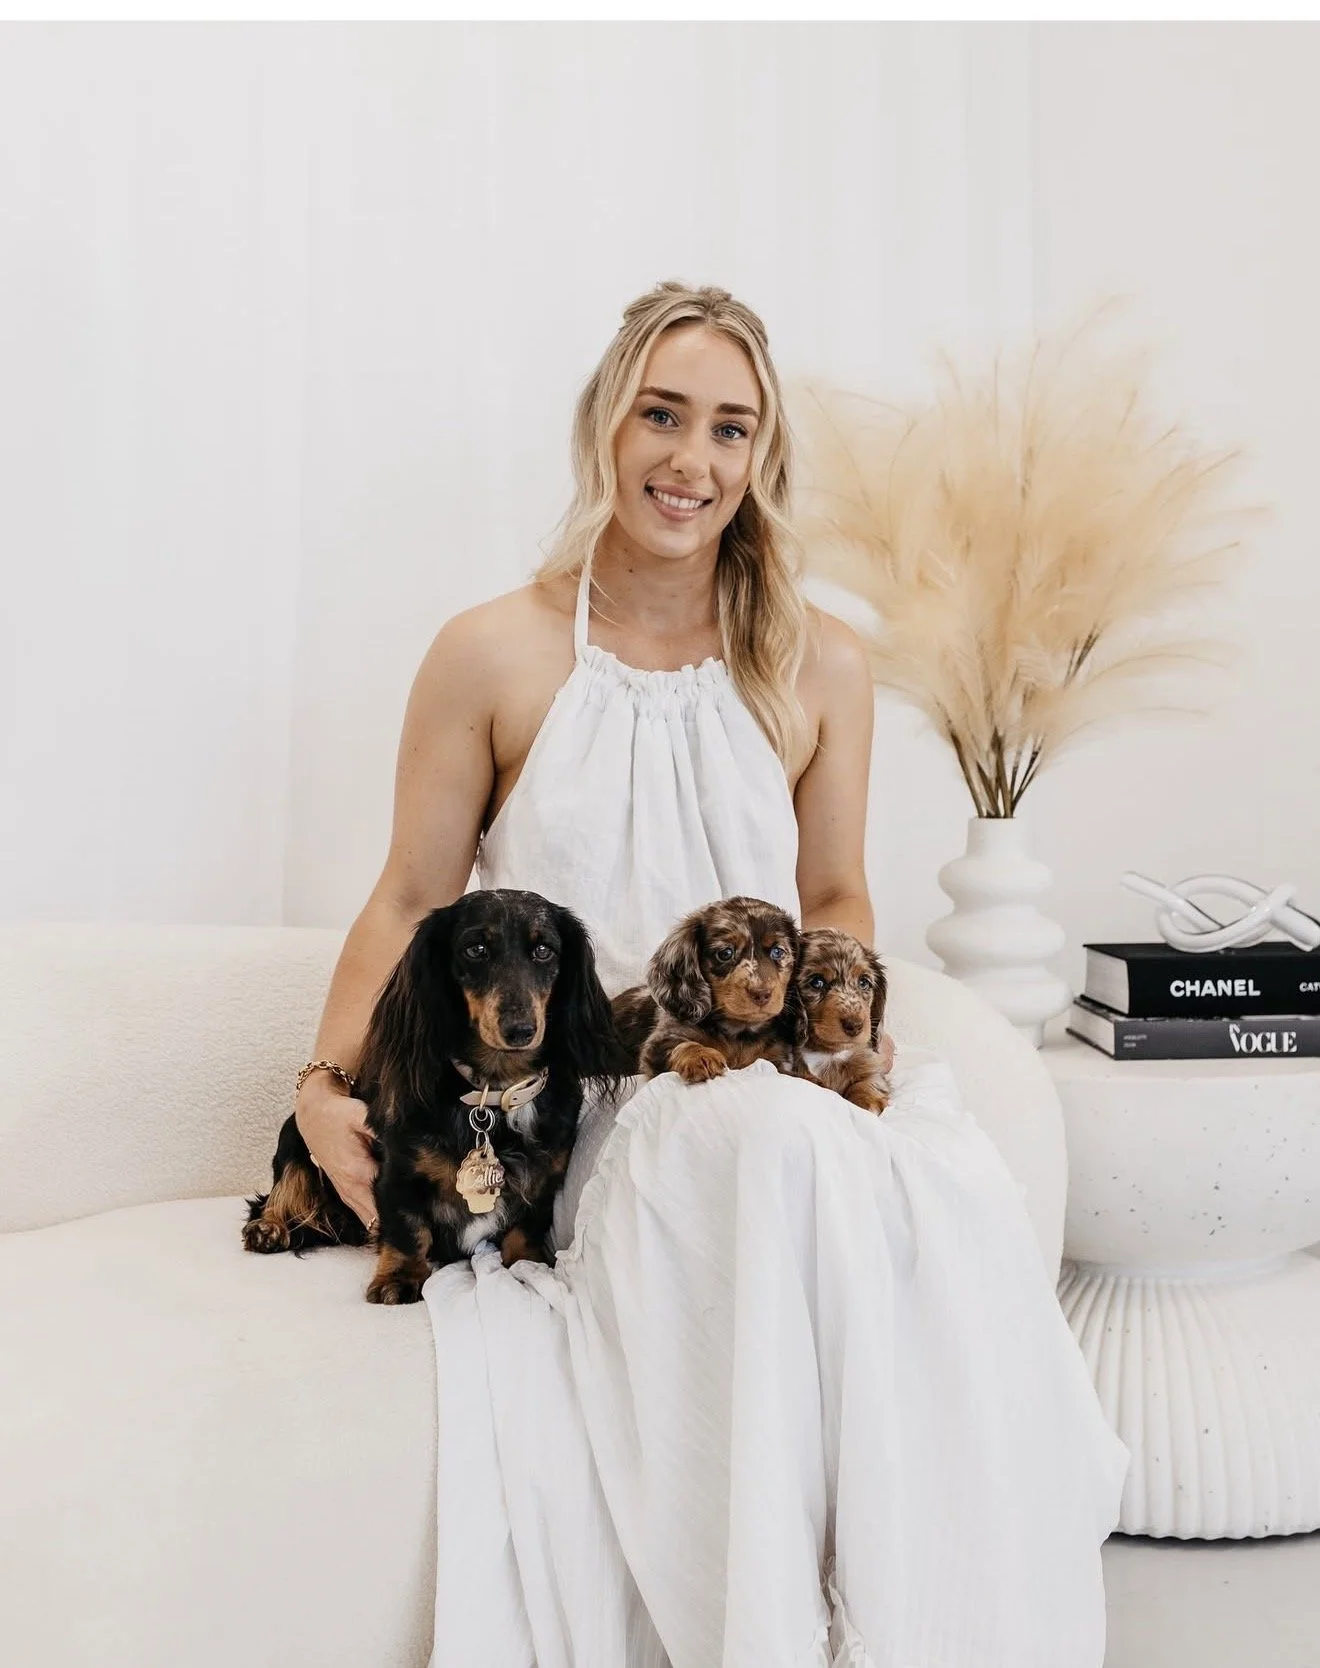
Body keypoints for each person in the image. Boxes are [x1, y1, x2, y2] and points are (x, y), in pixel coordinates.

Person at [295, 281, 1129, 1667]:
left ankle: (910, 1622)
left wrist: (835, 1053)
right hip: (609, 1101)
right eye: (663, 416)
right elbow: (410, 895)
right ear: (606, 425)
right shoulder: (493, 652)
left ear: (764, 457)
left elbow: (838, 898)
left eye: (731, 430)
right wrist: (326, 1084)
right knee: (770, 1155)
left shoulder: (822, 663)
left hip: (771, 1074)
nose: (693, 461)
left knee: (932, 1177)